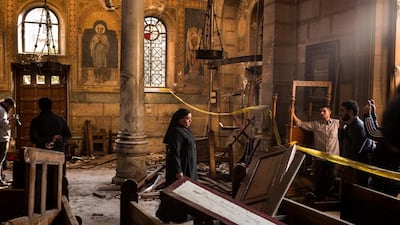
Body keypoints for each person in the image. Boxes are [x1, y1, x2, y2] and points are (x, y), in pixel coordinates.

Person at [156, 108, 197, 223]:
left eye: (190, 119)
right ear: (179, 119)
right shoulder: (176, 132)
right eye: (187, 119)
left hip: (188, 165)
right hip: (181, 167)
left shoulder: (185, 130)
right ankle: (173, 216)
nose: (189, 121)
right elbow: (174, 152)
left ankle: (185, 215)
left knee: (186, 191)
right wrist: (178, 170)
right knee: (177, 192)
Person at [292, 105, 340, 200]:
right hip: (320, 158)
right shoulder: (315, 124)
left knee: (332, 178)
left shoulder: (336, 123)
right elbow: (300, 123)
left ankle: (327, 197)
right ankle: (318, 199)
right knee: (319, 179)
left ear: (329, 112)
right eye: (320, 111)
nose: (321, 113)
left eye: (324, 111)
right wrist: (292, 113)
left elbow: (348, 125)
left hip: (333, 157)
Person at [30, 97, 72, 198]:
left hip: (42, 153)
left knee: (43, 178)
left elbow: (33, 138)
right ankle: (60, 198)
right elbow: (68, 135)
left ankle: (45, 199)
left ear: (39, 107)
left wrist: (45, 143)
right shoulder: (60, 119)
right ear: (51, 106)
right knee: (59, 177)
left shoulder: (36, 121)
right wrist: (60, 139)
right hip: (59, 153)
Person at [362, 99, 400, 196]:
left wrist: (367, 115)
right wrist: (373, 114)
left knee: (382, 201)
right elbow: (379, 131)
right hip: (389, 173)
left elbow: (372, 133)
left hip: (386, 176)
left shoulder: (394, 133)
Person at [338, 100, 373, 186]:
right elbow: (342, 143)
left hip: (359, 168)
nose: (340, 113)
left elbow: (356, 150)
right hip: (350, 166)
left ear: (350, 112)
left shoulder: (359, 127)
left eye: (342, 110)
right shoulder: (349, 126)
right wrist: (341, 129)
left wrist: (344, 164)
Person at [0, 97, 16, 186]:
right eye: (10, 107)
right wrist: (10, 123)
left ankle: (1, 177)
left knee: (1, 160)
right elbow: (2, 123)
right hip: (1, 138)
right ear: (7, 104)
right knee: (0, 160)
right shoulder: (1, 110)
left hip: (2, 137)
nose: (10, 109)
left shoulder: (2, 110)